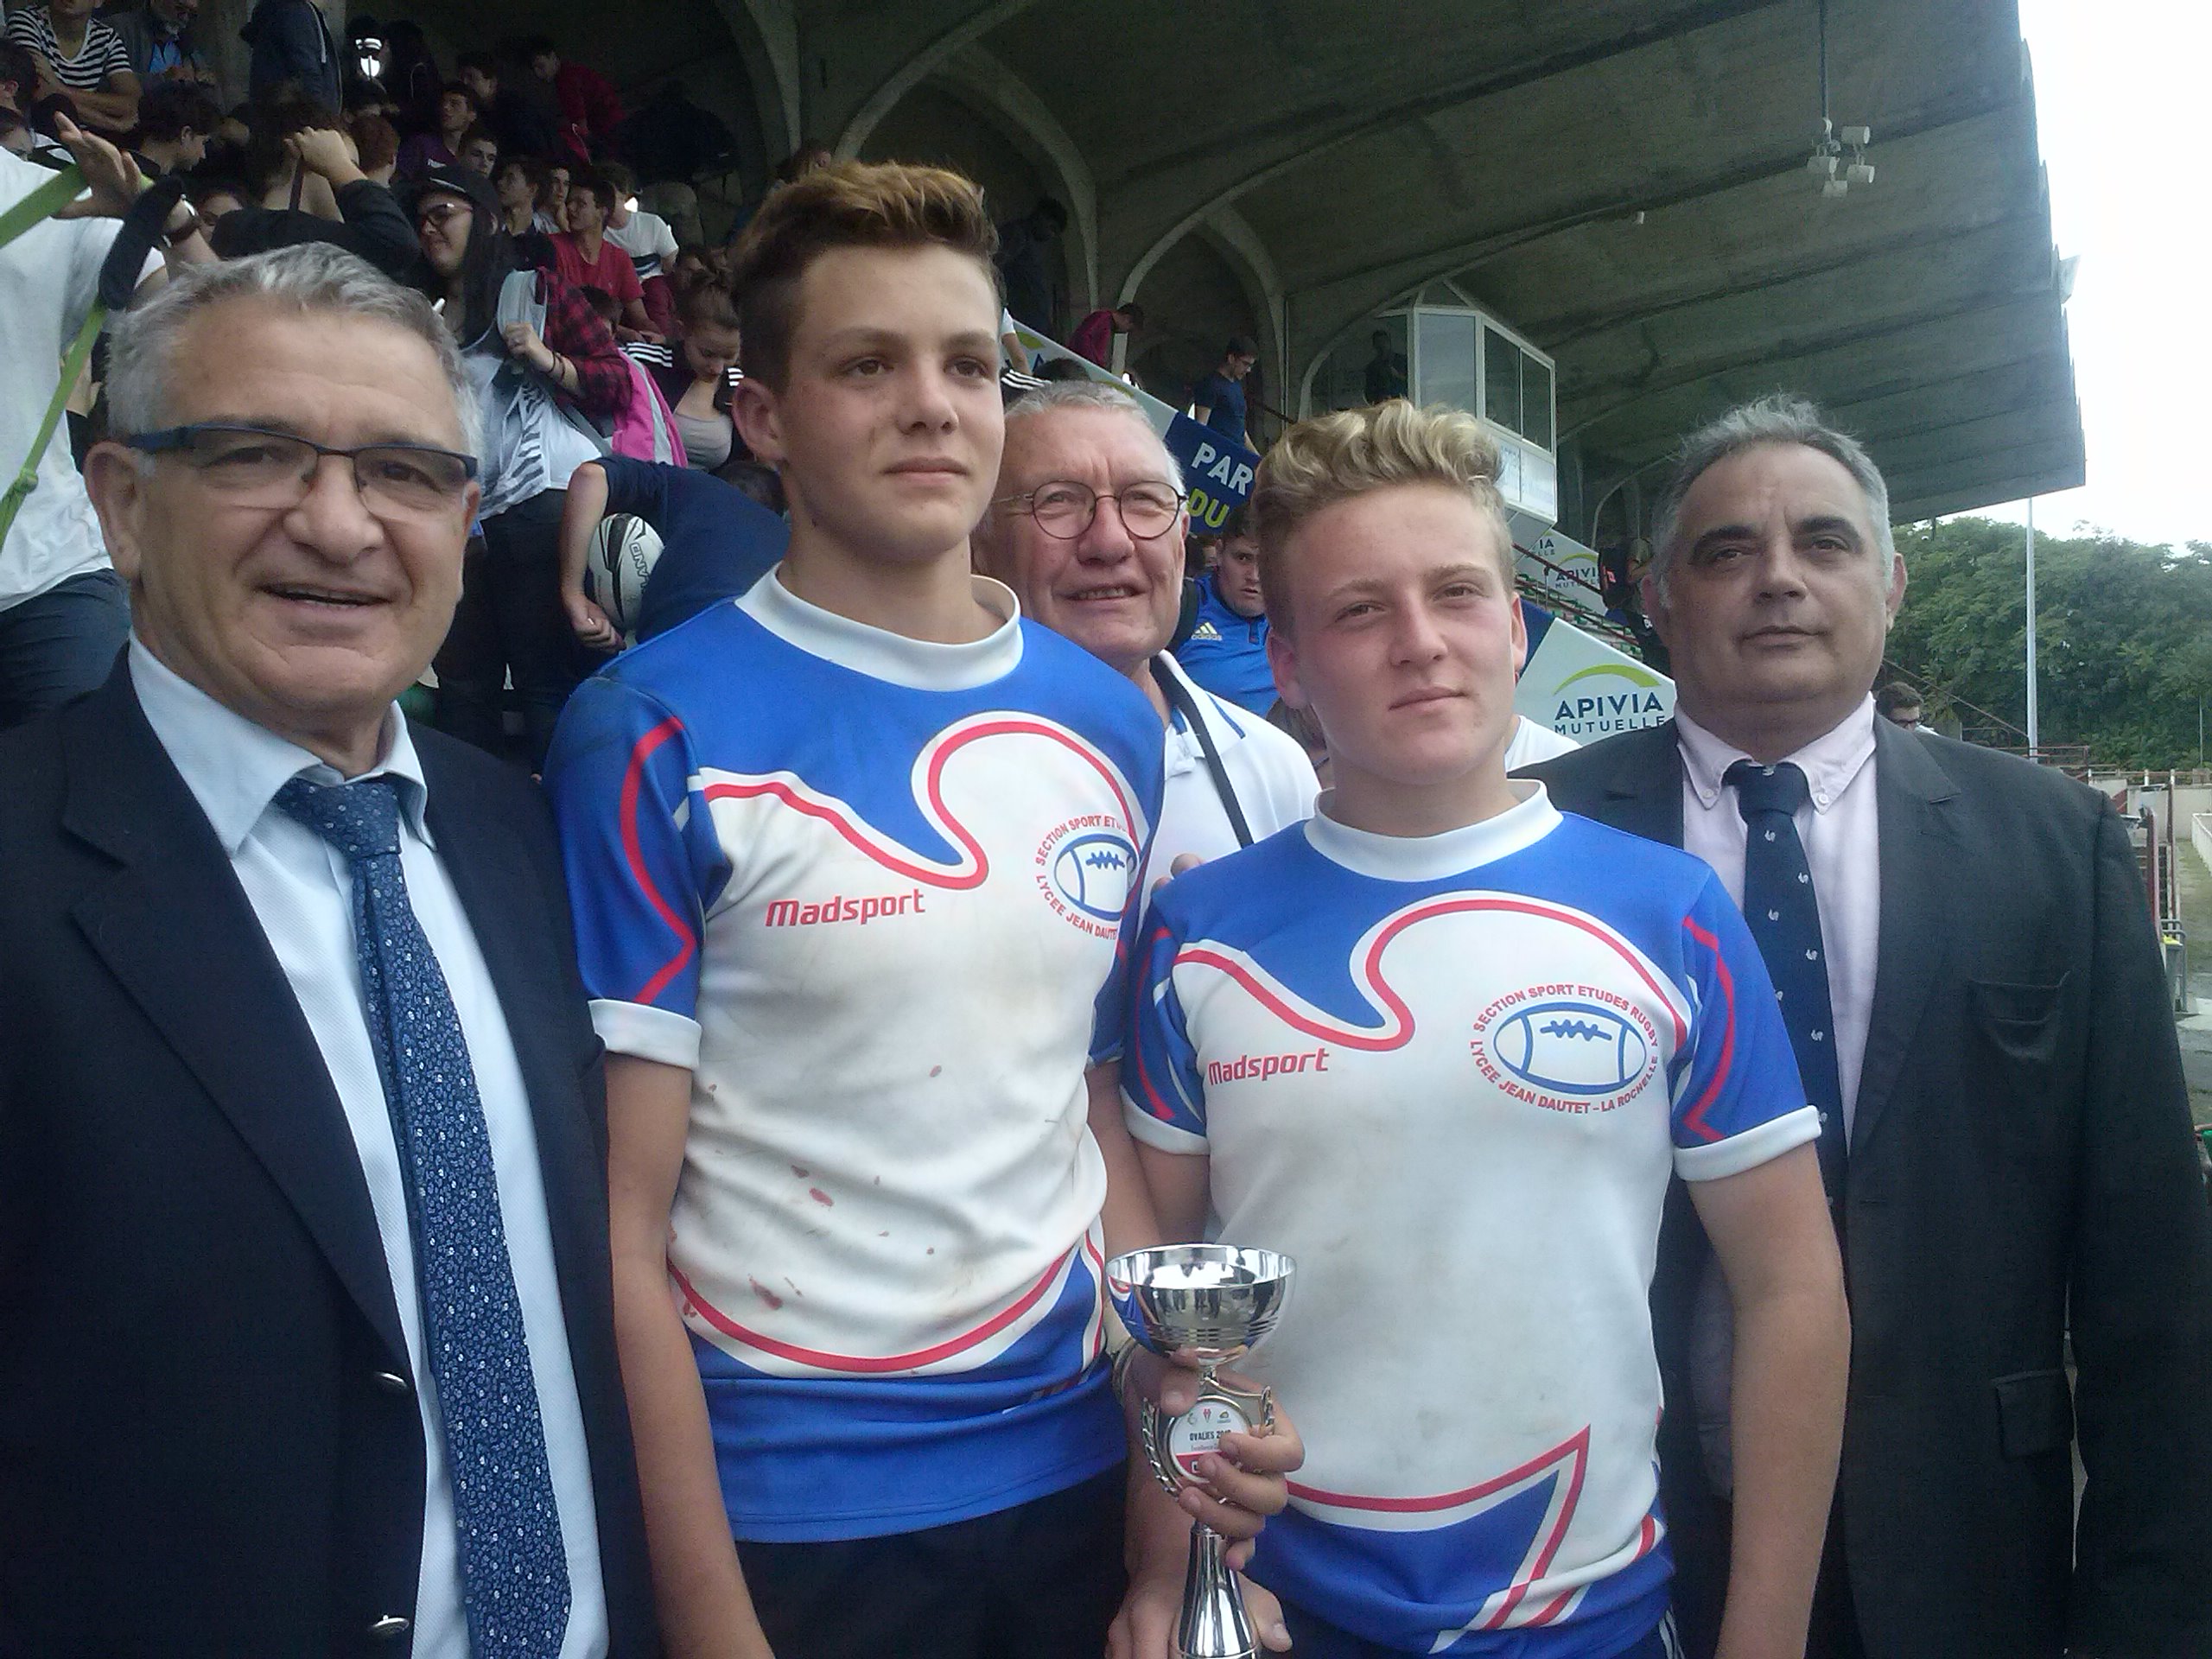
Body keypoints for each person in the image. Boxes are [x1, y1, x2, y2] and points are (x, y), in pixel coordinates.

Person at [542, 157, 1301, 1659]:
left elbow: (1087, 1103)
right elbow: (623, 1232)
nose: (930, 407)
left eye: (964, 364)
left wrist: (1175, 1442)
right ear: (764, 416)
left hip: (1075, 1474)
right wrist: (709, 1624)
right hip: (793, 1521)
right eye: (866, 366)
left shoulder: (1106, 721)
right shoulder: (649, 727)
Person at [0, 241, 658, 1656]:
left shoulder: (524, 832)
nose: (341, 525)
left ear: (467, 520)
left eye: (403, 473)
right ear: (121, 502)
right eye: (256, 455)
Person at [1127, 398, 1849, 1659]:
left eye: (1456, 594)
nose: (1420, 644)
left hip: (1593, 1620)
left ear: (1515, 627)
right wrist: (1167, 1572)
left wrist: (1767, 1638)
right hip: (1284, 1613)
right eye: (1359, 611)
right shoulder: (1197, 935)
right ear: (1287, 663)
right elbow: (1161, 1326)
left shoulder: (1670, 913)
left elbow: (1790, 1289)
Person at [1526, 393, 2212, 1659]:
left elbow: (2148, 1257)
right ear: (1658, 598)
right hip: (1617, 1526)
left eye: (1825, 543)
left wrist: (2152, 1611)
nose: (1778, 579)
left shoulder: (2050, 844)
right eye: (1726, 551)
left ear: (1891, 585)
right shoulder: (1535, 842)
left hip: (1968, 1530)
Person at [976, 380, 1318, 874]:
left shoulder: (1274, 772)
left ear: (1181, 541)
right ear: (979, 546)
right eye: (1057, 501)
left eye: (1143, 500)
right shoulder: (899, 775)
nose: (1110, 542)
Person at [405, 162, 632, 768]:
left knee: (544, 680)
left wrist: (548, 359)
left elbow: (618, 384)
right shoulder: (417, 314)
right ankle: (473, 816)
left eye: (442, 214)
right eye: (421, 219)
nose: (429, 228)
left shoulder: (536, 292)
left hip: (540, 505)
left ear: (482, 220)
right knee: (464, 683)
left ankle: (558, 813)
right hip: (460, 518)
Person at [0, 113, 207, 730]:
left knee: (102, 772)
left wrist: (168, 219)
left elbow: (208, 336)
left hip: (46, 572)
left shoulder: (52, 199)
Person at [557, 452, 787, 648]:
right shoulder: (789, 545)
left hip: (671, 650)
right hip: (761, 658)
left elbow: (591, 476)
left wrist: (573, 592)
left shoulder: (690, 485)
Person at [209, 122, 419, 279]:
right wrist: (340, 167)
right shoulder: (285, 234)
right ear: (308, 162)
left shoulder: (234, 227)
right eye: (346, 169)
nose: (349, 181)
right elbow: (398, 243)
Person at [622, 277, 742, 470]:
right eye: (707, 354)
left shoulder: (740, 386)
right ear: (682, 331)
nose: (718, 368)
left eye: (729, 356)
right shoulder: (641, 364)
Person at [1174, 501, 1276, 713]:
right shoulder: (1180, 606)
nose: (1254, 576)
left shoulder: (1300, 623)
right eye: (1243, 558)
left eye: (1268, 562)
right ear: (1219, 553)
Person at [7, 0, 138, 137]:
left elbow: (131, 103)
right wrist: (113, 124)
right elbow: (40, 93)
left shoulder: (107, 37)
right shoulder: (26, 21)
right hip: (36, 133)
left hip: (84, 136)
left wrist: (59, 88)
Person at [554, 170, 658, 342]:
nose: (570, 208)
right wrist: (623, 331)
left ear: (602, 212)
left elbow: (641, 318)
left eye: (580, 203)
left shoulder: (619, 258)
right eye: (569, 202)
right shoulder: (552, 247)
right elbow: (561, 313)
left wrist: (660, 338)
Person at [598, 161, 677, 335]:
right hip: (619, 300)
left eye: (609, 193)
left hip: (655, 298)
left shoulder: (652, 224)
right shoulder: (596, 232)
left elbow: (671, 265)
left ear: (624, 195)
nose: (604, 200)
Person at [524, 35, 622, 165]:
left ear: (553, 57)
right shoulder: (572, 71)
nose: (538, 74)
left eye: (541, 66)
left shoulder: (565, 80)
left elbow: (580, 125)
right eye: (534, 69)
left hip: (608, 131)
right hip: (615, 125)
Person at [458, 47, 555, 159]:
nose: (465, 83)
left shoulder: (517, 108)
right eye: (462, 77)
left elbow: (533, 148)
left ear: (492, 82)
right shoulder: (476, 112)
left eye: (471, 77)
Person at [242, 0, 339, 112]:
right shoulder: (296, 13)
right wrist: (321, 116)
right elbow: (307, 74)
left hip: (278, 112)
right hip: (295, 115)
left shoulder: (284, 10)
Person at [994, 194, 1065, 331]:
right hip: (1019, 320)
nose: (1051, 235)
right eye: (1051, 228)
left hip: (1031, 321)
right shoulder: (1017, 234)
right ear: (1041, 216)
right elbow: (994, 266)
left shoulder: (1029, 240)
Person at [104, 0, 210, 85]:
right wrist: (162, 79)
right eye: (179, 8)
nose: (185, 18)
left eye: (192, 14)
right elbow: (104, 82)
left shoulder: (188, 45)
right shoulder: (118, 29)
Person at [130, 75, 217, 175]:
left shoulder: (119, 166)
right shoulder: (158, 183)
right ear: (186, 134)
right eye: (203, 142)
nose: (203, 155)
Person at [395, 79, 476, 181]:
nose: (445, 107)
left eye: (454, 104)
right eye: (443, 102)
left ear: (471, 115)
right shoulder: (421, 145)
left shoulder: (476, 154)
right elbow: (397, 181)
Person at [1190, 335, 1258, 450]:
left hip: (1237, 452)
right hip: (1218, 451)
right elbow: (1201, 425)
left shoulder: (1237, 385)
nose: (1248, 370)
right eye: (1245, 364)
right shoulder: (1211, 384)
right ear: (1231, 358)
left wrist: (1256, 456)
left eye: (1251, 365)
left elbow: (1240, 428)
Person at [493, 149, 554, 266]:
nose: (500, 182)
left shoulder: (543, 248)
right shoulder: (488, 228)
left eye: (510, 179)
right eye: (502, 177)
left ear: (532, 190)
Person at [1069, 301, 1141, 368]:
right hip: (1078, 364)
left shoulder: (1107, 324)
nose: (1125, 332)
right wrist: (1094, 363)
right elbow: (1083, 337)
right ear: (1127, 319)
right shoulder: (1102, 318)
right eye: (1129, 329)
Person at [1360, 327, 1406, 404]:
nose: (1382, 345)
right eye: (1379, 343)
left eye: (1384, 342)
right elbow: (1369, 393)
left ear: (1389, 342)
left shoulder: (1403, 361)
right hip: (1382, 405)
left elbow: (1414, 383)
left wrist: (1398, 376)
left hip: (1402, 403)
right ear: (1375, 345)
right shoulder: (1372, 368)